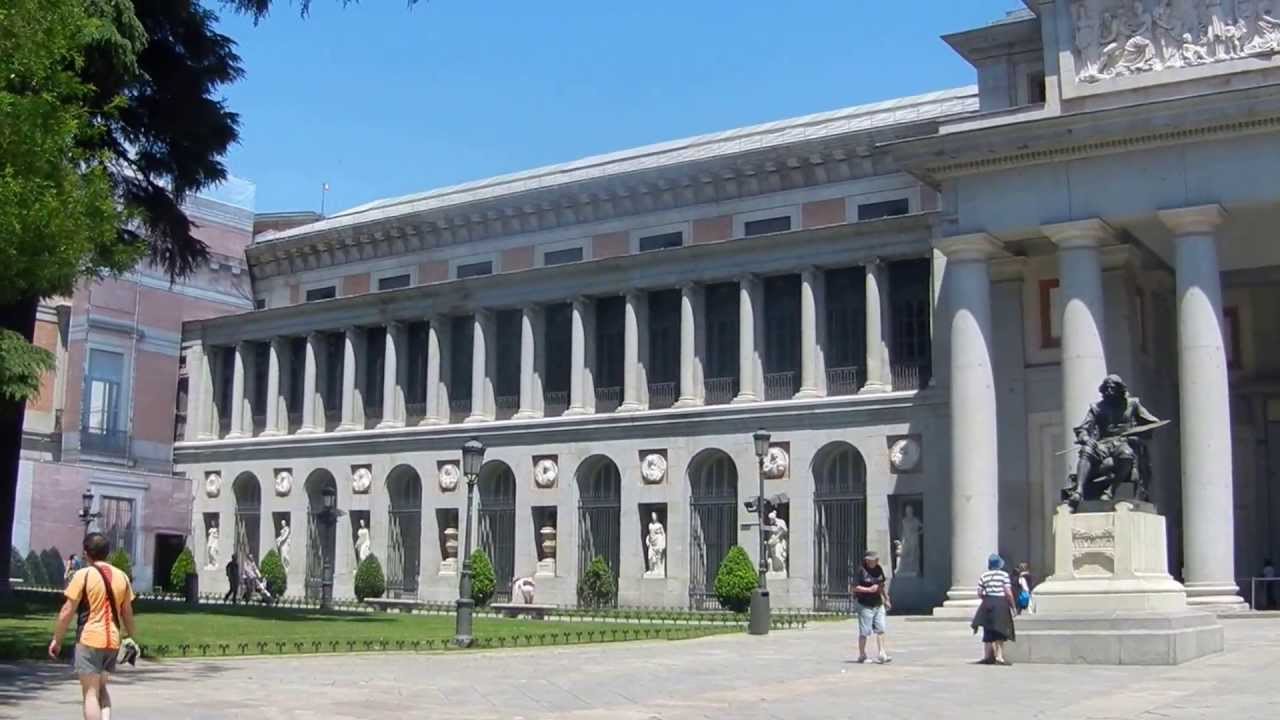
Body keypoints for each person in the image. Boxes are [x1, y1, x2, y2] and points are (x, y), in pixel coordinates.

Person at [48, 532, 138, 720]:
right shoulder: (122, 577)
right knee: (101, 689)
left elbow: (67, 611)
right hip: (112, 642)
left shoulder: (83, 575)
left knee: (90, 693)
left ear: (86, 553)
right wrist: (131, 637)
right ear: (107, 552)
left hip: (89, 640)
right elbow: (127, 613)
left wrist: (57, 640)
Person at [971, 554, 1016, 665]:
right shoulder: (1004, 575)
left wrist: (987, 599)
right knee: (1000, 630)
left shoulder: (984, 576)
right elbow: (1008, 592)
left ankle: (987, 656)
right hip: (1000, 603)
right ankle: (999, 657)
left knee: (988, 629)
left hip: (987, 602)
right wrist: (1013, 606)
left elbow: (979, 592)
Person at [851, 551, 891, 664]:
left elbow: (881, 586)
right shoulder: (861, 570)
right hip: (864, 604)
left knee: (881, 628)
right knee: (865, 631)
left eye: (875, 560)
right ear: (867, 560)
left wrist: (886, 598)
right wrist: (868, 590)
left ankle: (882, 653)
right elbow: (853, 588)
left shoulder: (878, 569)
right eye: (870, 560)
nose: (873, 562)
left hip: (878, 603)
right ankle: (862, 654)